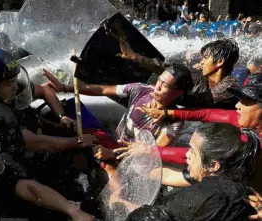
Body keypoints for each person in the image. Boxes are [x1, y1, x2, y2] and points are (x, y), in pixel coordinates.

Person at [0, 48, 96, 221]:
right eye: (9, 83)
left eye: (15, 80)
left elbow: (45, 91)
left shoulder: (10, 88)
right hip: (17, 162)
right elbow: (35, 143)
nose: (16, 87)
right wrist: (75, 142)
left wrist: (63, 117)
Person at [138, 73, 262, 192]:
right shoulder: (240, 120)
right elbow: (206, 114)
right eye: (239, 99)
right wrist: (167, 113)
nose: (237, 105)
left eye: (245, 101)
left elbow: (203, 156)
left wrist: (151, 151)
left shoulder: (249, 144)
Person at [43, 63, 193, 156]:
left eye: (165, 86)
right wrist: (66, 88)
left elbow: (153, 153)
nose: (157, 87)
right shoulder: (140, 89)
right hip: (113, 142)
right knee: (70, 109)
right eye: (159, 80)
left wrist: (113, 155)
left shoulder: (175, 119)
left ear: (177, 93)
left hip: (132, 160)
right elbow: (103, 90)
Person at [122, 123, 260, 221]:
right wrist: (141, 171)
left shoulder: (204, 197)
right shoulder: (235, 178)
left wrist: (118, 203)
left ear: (213, 165)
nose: (187, 154)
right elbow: (170, 175)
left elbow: (158, 216)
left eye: (192, 151)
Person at [118, 38, 240, 109]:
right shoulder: (200, 74)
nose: (201, 62)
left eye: (206, 58)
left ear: (219, 61)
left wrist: (162, 95)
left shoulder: (230, 87)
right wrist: (135, 57)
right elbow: (169, 70)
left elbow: (199, 101)